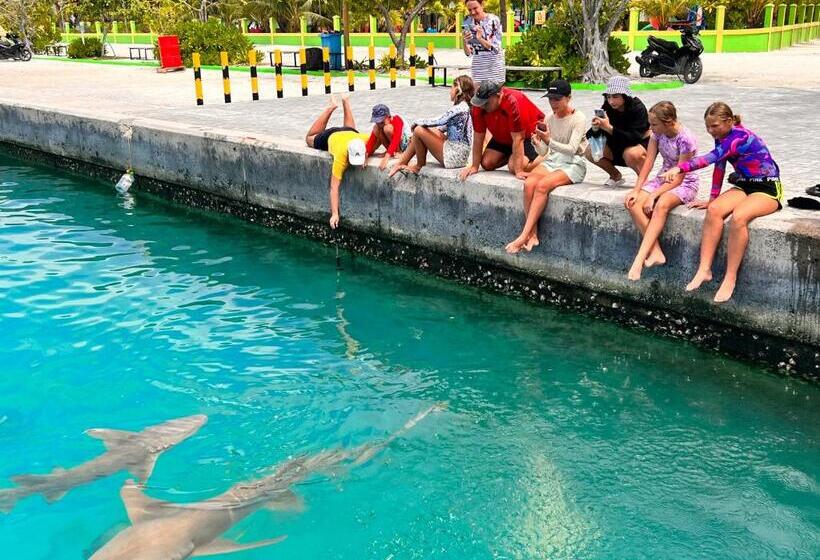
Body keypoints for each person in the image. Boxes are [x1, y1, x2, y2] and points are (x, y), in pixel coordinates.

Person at [661, 102, 782, 303]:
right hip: (744, 185)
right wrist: (712, 199)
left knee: (739, 217)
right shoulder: (722, 137)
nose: (710, 131)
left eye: (715, 126)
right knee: (715, 209)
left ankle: (730, 277)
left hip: (767, 188)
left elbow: (709, 159)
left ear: (728, 121)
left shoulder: (739, 138)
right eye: (708, 127)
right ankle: (704, 269)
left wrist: (679, 168)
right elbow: (719, 167)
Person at [505, 79, 588, 254]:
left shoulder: (579, 118)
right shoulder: (548, 118)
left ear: (569, 98)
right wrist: (537, 142)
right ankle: (532, 235)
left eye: (557, 99)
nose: (553, 103)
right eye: (551, 99)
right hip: (553, 160)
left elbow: (572, 149)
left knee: (542, 186)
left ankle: (523, 235)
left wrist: (549, 140)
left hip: (573, 164)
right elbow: (544, 151)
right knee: (529, 184)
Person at [624, 101, 699, 280]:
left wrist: (654, 196)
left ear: (669, 122)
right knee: (633, 204)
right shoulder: (657, 134)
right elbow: (648, 162)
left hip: (685, 182)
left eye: (654, 124)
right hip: (662, 178)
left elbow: (680, 177)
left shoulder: (685, 139)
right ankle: (656, 252)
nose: (651, 128)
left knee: (661, 205)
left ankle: (639, 259)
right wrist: (637, 189)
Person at [388, 75, 475, 177]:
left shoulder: (459, 108)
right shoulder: (465, 107)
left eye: (451, 87)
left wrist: (416, 123)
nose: (449, 91)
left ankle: (418, 166)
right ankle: (402, 162)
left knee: (418, 130)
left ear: (458, 89)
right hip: (460, 156)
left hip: (453, 157)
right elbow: (442, 127)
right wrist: (424, 133)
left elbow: (439, 120)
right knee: (422, 131)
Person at [305, 94, 369, 229]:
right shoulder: (341, 157)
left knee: (351, 130)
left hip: (350, 133)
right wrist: (335, 213)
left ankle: (344, 101)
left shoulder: (364, 140)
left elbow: (375, 140)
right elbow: (334, 187)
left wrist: (367, 155)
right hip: (330, 136)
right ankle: (331, 108)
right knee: (309, 138)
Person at [459, 81, 544, 181]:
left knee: (514, 167)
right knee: (487, 163)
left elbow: (518, 139)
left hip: (528, 136)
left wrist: (519, 170)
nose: (483, 106)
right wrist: (474, 166)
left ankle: (545, 156)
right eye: (481, 103)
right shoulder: (479, 106)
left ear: (498, 95)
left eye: (486, 103)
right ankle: (513, 156)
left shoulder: (513, 102)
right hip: (504, 137)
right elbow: (478, 137)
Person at [585, 76, 650, 187]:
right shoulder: (607, 107)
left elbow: (635, 138)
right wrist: (595, 128)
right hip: (616, 144)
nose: (611, 101)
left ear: (624, 96)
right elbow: (590, 136)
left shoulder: (638, 108)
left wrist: (609, 128)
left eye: (615, 97)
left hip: (635, 145)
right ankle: (615, 176)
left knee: (631, 154)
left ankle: (644, 180)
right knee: (590, 150)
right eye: (608, 97)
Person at [462, 0, 505, 83]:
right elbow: (468, 53)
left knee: (494, 94)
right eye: (469, 10)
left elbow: (495, 49)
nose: (473, 12)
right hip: (478, 67)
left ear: (482, 5)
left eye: (475, 8)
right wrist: (464, 41)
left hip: (494, 67)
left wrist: (480, 39)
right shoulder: (467, 21)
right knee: (478, 94)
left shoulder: (493, 20)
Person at [365, 104, 411, 171]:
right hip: (393, 143)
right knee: (375, 128)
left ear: (387, 117)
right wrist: (366, 156)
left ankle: (398, 152)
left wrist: (386, 158)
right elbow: (372, 140)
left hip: (404, 144)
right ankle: (392, 152)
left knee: (387, 128)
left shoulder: (397, 119)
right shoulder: (378, 125)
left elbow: (396, 138)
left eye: (381, 121)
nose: (379, 124)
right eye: (377, 122)